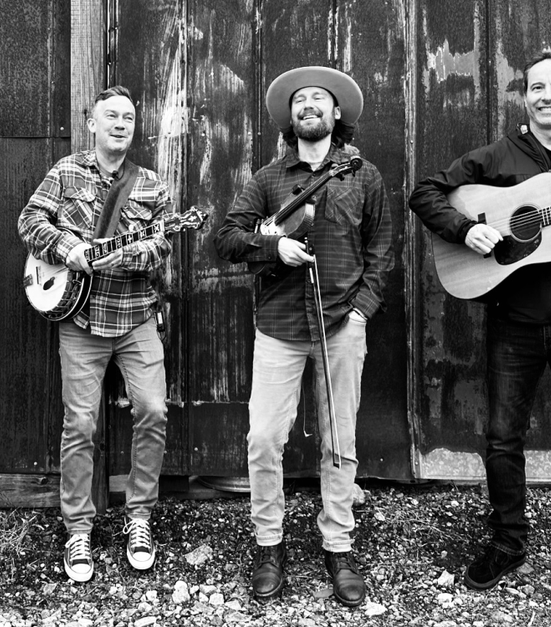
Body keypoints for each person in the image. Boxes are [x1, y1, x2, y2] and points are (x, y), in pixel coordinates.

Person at [407, 50, 551, 613]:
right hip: (513, 321)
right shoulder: (496, 156)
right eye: (537, 87)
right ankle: (508, 542)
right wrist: (464, 230)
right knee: (501, 436)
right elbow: (425, 193)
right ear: (525, 96)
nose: (547, 96)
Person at [214, 66, 394, 607]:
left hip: (341, 324)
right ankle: (268, 544)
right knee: (264, 438)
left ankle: (338, 544)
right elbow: (226, 238)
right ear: (290, 117)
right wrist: (275, 247)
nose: (309, 105)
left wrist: (361, 313)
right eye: (300, 100)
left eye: (319, 98)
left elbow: (381, 250)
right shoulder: (269, 179)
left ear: (337, 113)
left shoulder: (362, 175)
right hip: (280, 327)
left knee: (340, 440)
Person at [17, 85, 173, 583]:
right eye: (111, 116)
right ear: (92, 123)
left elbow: (162, 245)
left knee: (153, 411)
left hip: (135, 316)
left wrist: (121, 255)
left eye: (128, 117)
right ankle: (78, 529)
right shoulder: (66, 172)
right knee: (80, 424)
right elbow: (29, 221)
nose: (121, 124)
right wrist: (69, 250)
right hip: (81, 320)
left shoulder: (151, 184)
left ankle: (140, 518)